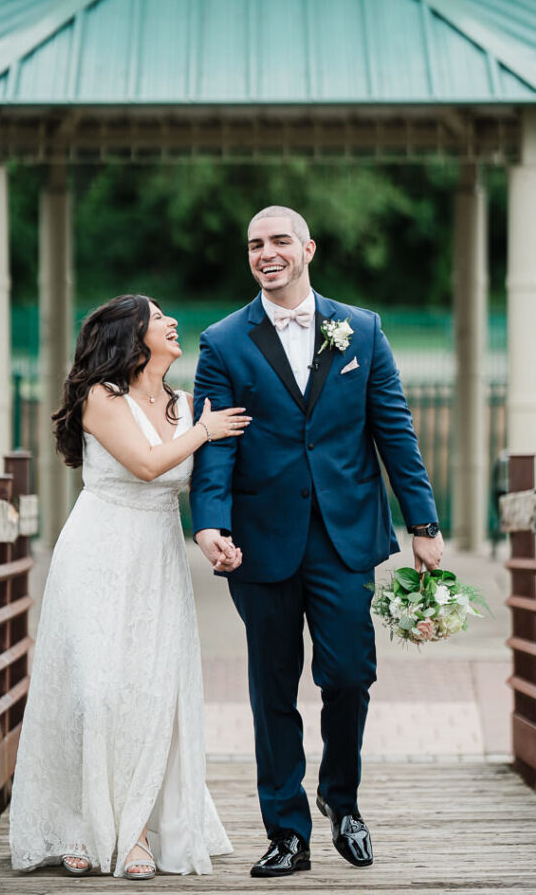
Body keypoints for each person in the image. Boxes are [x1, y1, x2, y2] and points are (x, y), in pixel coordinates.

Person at [190, 206, 444, 878]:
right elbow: (213, 443)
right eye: (253, 244)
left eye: (277, 241)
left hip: (342, 537)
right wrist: (208, 522)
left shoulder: (360, 329)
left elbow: (393, 431)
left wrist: (423, 524)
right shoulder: (221, 342)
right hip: (260, 541)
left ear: (307, 247)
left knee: (349, 675)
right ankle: (286, 833)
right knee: (271, 687)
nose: (265, 253)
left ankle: (342, 800)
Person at [10, 294, 250, 879]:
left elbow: (190, 485)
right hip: (99, 548)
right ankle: (80, 824)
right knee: (95, 690)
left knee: (150, 690)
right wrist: (205, 431)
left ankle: (138, 830)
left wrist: (213, 535)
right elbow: (146, 465)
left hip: (157, 555)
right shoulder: (102, 397)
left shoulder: (186, 404)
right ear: (132, 336)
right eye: (157, 315)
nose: (172, 320)